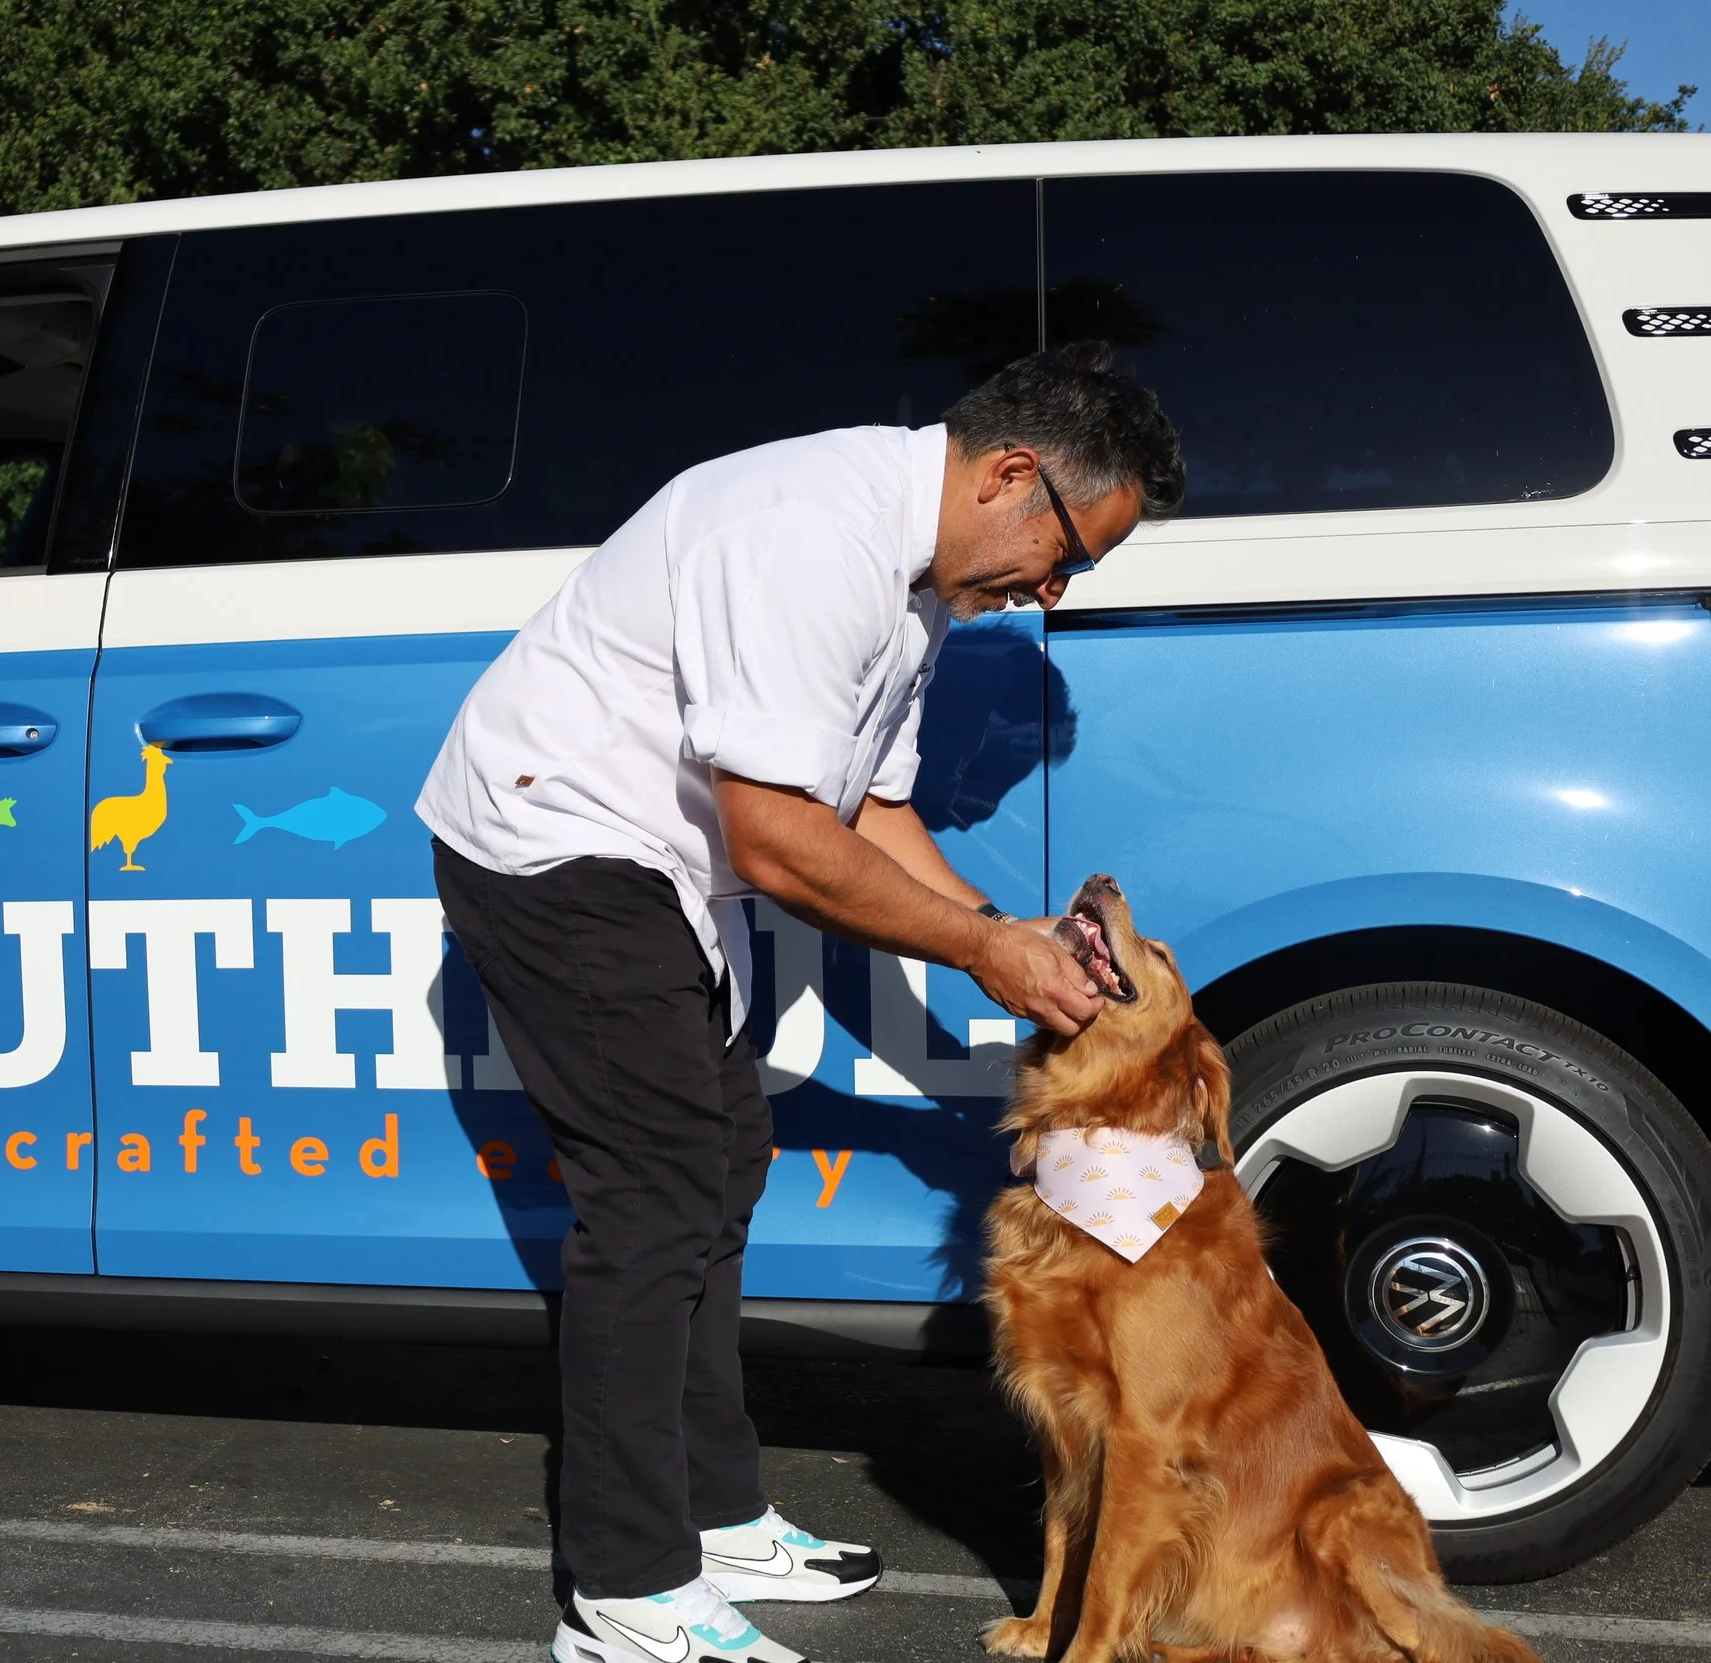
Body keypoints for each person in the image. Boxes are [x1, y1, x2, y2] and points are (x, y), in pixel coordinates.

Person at [417, 342, 1186, 1663]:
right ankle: (625, 1588)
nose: (1049, 591)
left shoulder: (918, 592)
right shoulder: (805, 536)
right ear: (1013, 474)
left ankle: (714, 1513)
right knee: (655, 1194)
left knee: (724, 1156)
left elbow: (870, 814)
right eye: (1068, 558)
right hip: (555, 842)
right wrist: (981, 955)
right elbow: (779, 843)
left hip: (661, 864)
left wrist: (1006, 935)